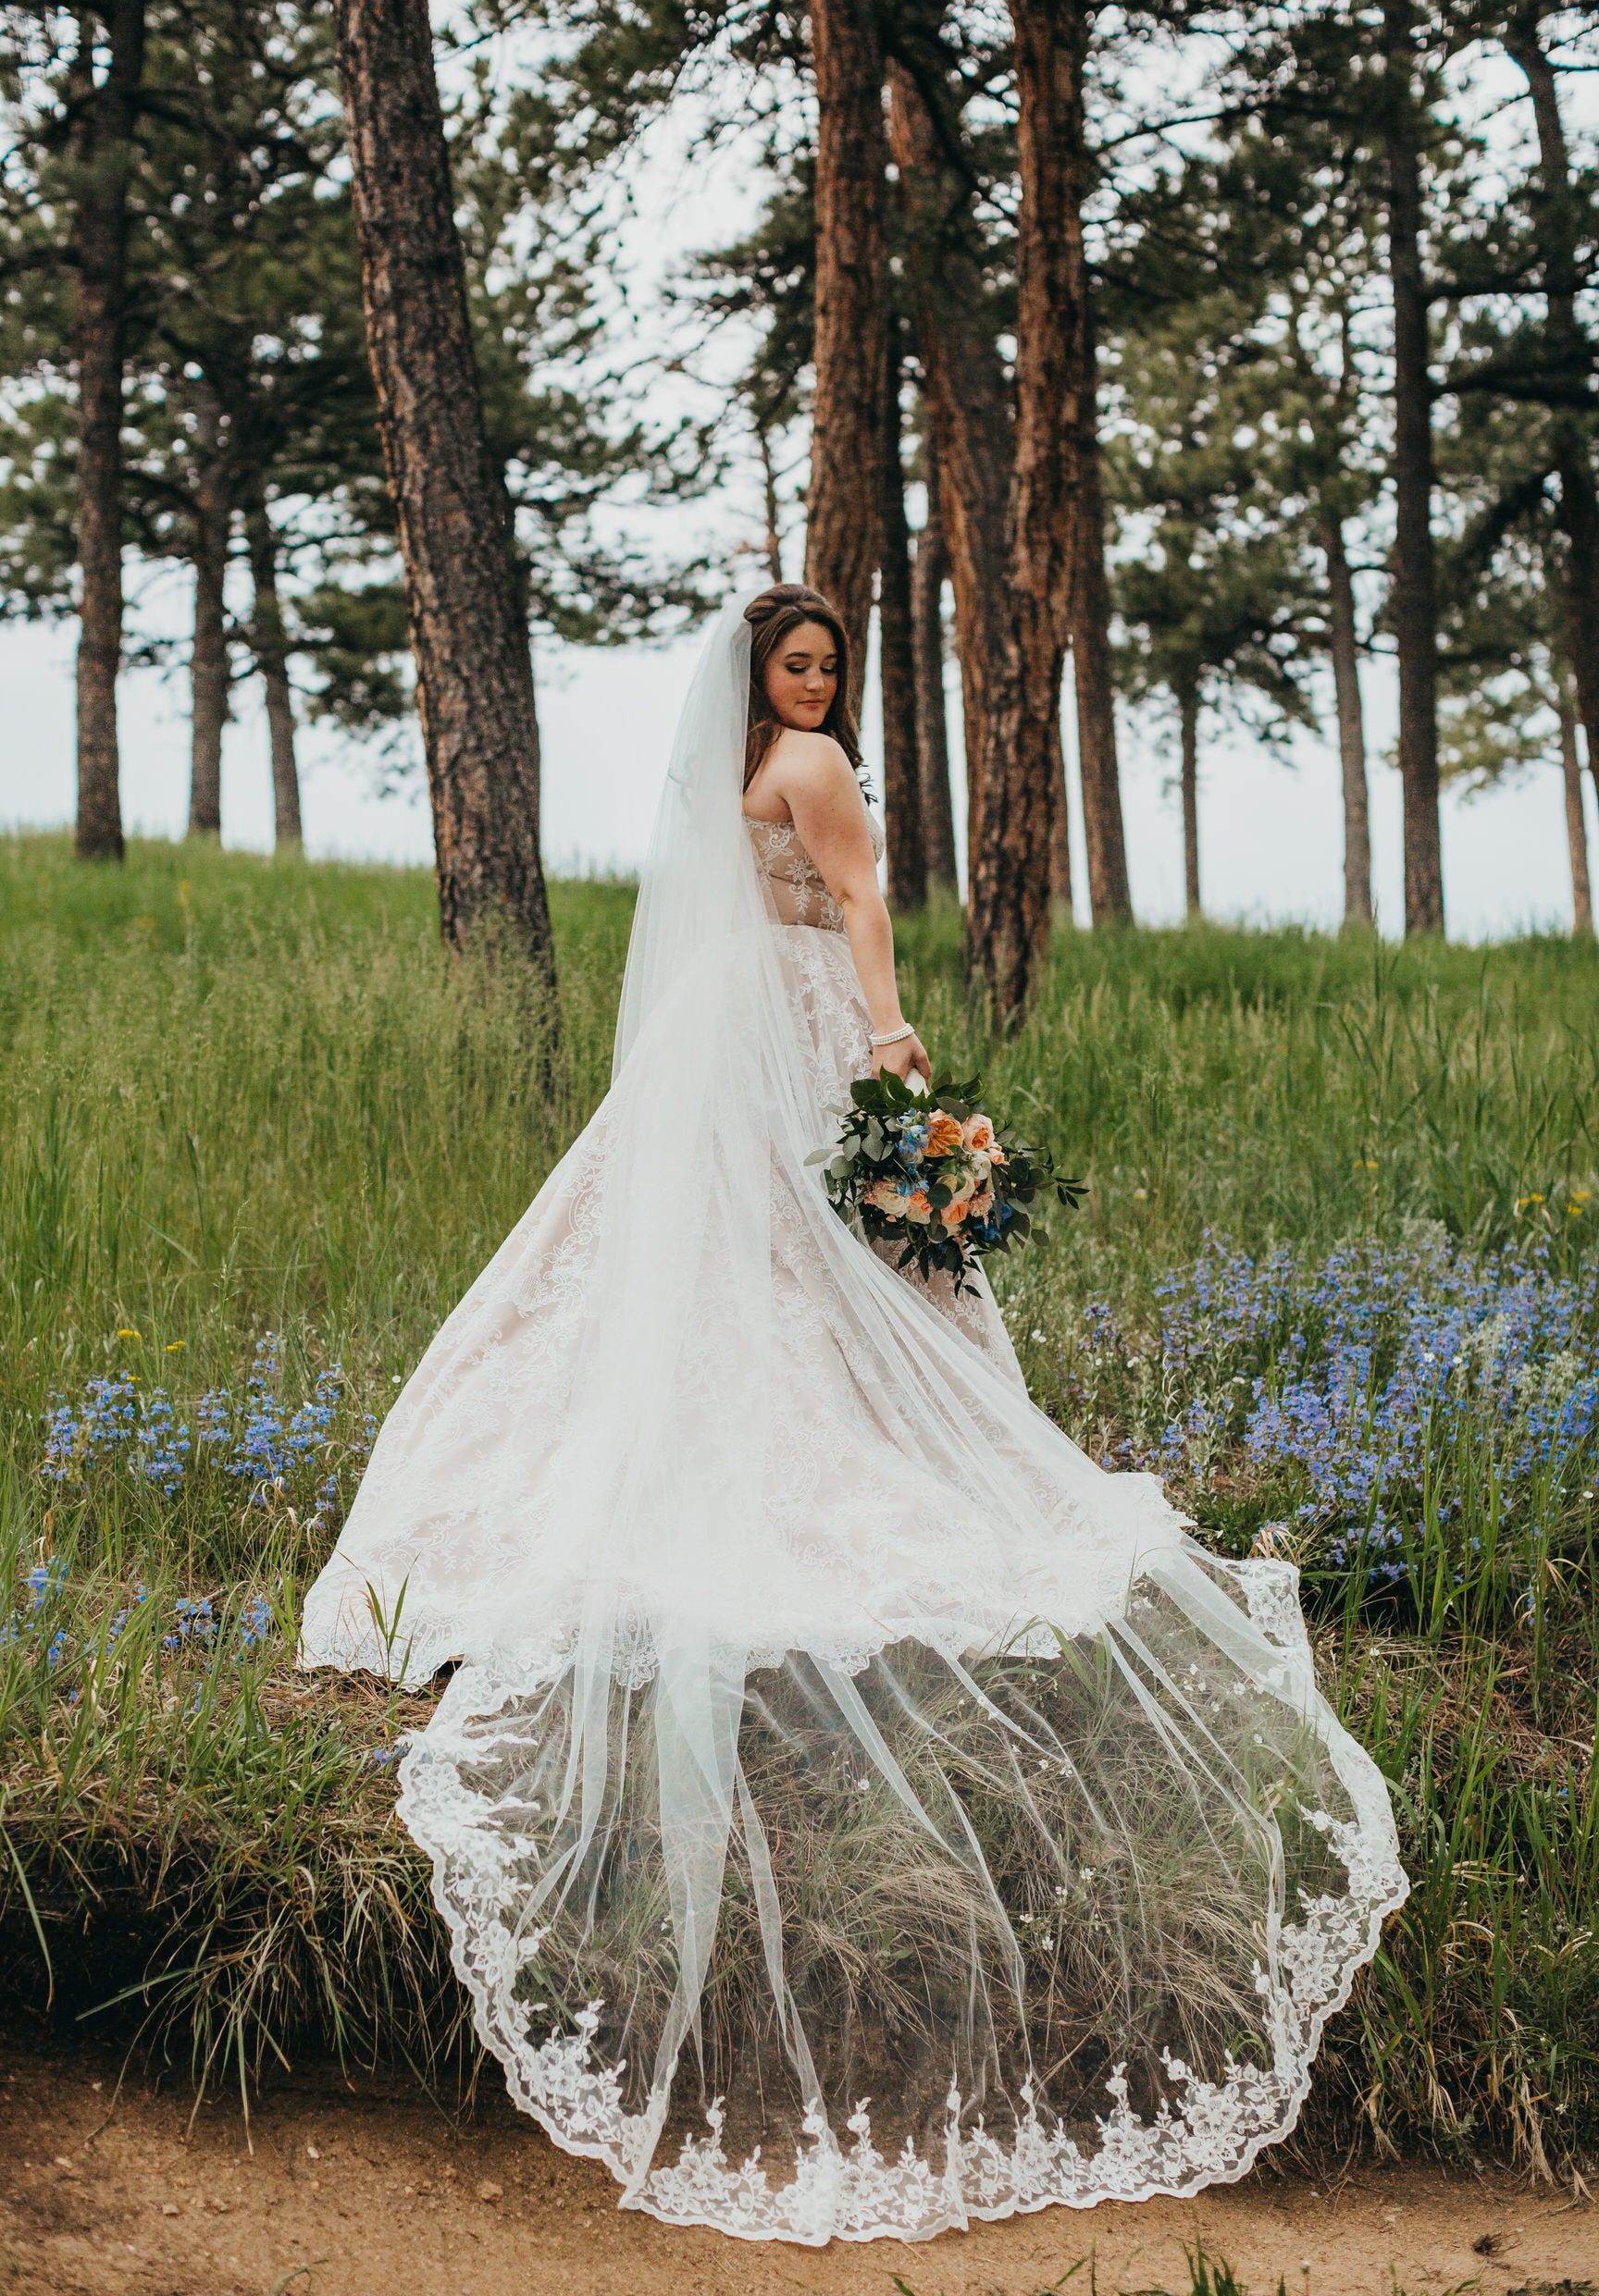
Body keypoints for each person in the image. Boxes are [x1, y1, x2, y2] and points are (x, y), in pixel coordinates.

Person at [301, 586, 1405, 2245]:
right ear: (762, 679)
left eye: (826, 666)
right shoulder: (806, 763)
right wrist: (892, 1049)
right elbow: (867, 901)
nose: (813, 687)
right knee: (810, 1256)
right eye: (793, 665)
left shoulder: (740, 767)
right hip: (806, 1028)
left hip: (723, 1034)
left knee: (738, 1259)